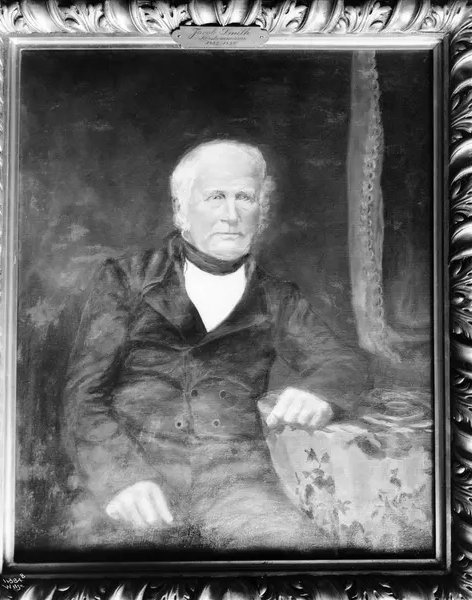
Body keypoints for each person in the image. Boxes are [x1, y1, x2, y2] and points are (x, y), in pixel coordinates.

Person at [63, 139, 369, 555]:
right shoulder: (126, 279)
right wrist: (120, 477)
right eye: (215, 197)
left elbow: (344, 361)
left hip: (238, 487)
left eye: (245, 197)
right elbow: (83, 396)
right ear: (180, 210)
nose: (231, 215)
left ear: (261, 212)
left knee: (302, 561)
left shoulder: (277, 297)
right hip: (134, 476)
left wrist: (320, 392)